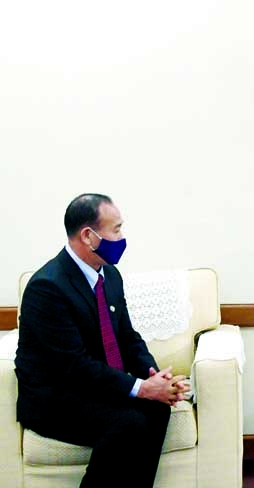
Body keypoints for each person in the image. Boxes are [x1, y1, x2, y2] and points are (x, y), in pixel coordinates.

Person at [15, 193, 190, 488]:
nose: (122, 237)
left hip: (94, 388)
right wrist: (141, 389)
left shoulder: (110, 275)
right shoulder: (47, 287)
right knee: (129, 422)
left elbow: (128, 337)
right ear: (88, 236)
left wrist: (154, 376)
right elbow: (73, 366)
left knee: (158, 408)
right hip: (55, 397)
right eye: (117, 229)